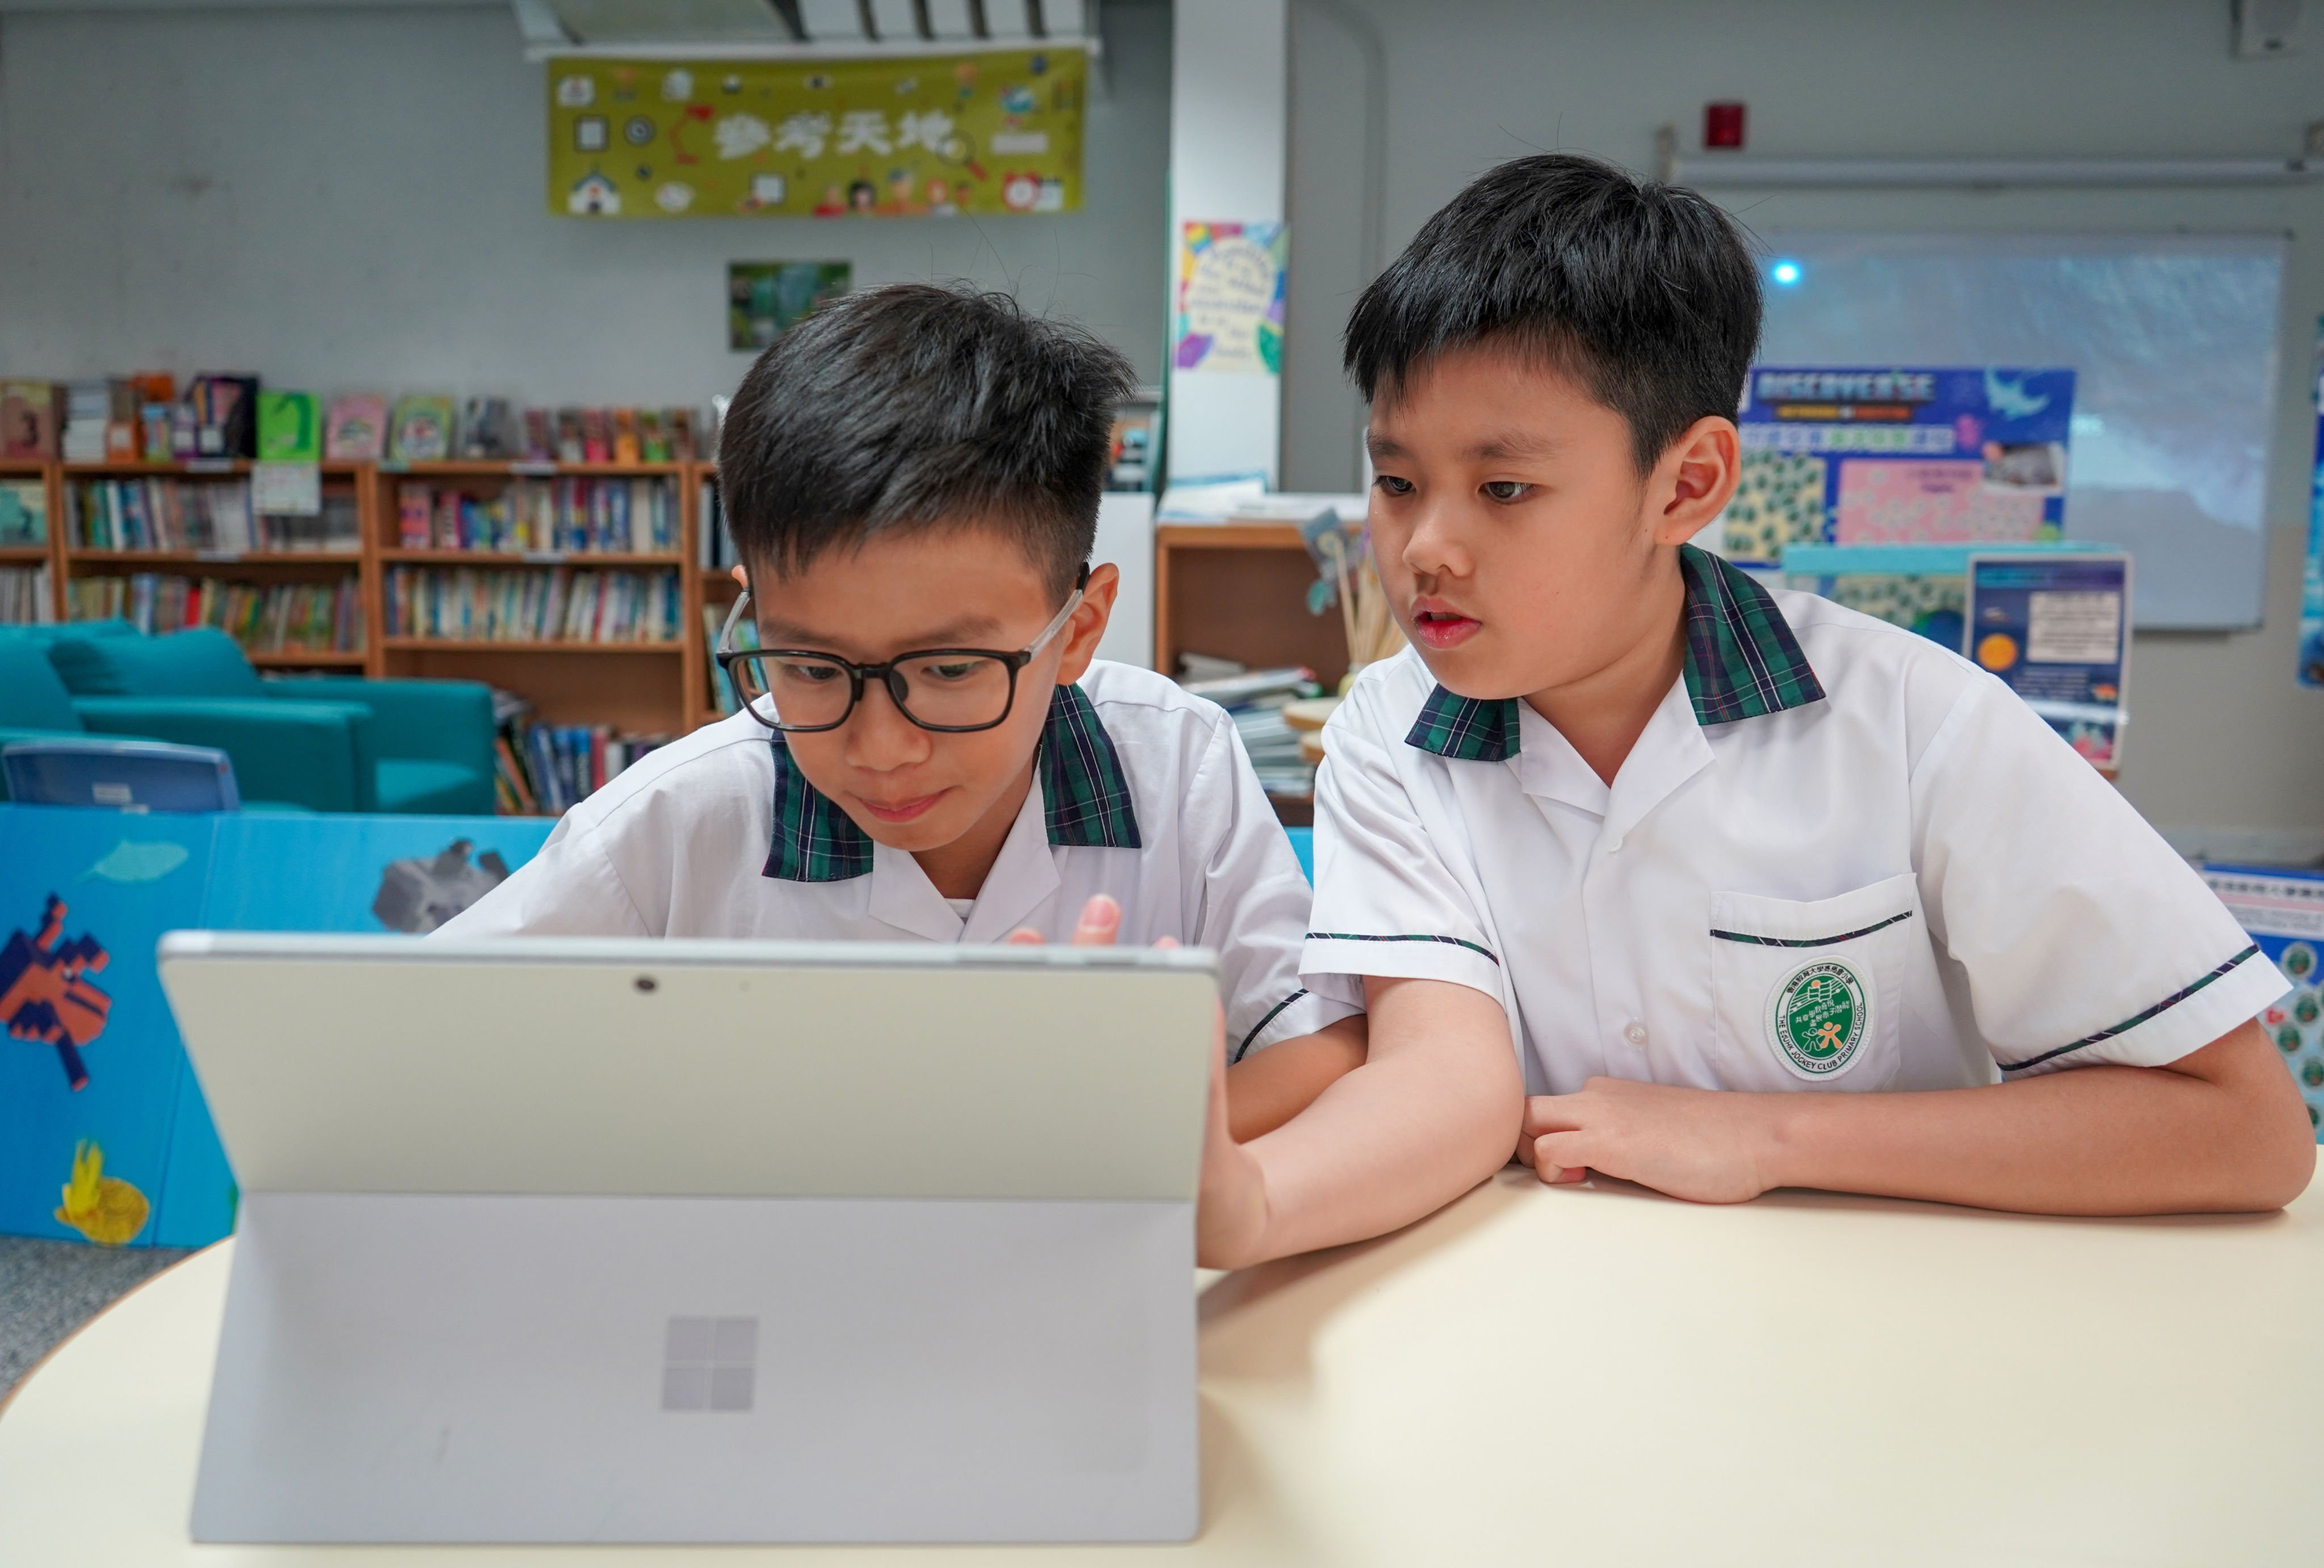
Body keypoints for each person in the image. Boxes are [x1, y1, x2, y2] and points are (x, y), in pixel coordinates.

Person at [1192, 154, 2312, 1268]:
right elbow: (1440, 1071)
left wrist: (1768, 1134)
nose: (1423, 547)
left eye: (1501, 489)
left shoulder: (1914, 717)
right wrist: (1251, 1199)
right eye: (1396, 482)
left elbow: (2243, 1127)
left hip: (1877, 1334)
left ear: (1684, 485)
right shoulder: (1388, 731)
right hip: (1540, 1330)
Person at [440, 283, 1363, 1139]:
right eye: (807, 666)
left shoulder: (1176, 762)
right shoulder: (680, 823)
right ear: (751, 612)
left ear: (1077, 630)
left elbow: (1322, 1043)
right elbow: (416, 1047)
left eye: (954, 669)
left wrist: (1104, 1151)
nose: (880, 749)